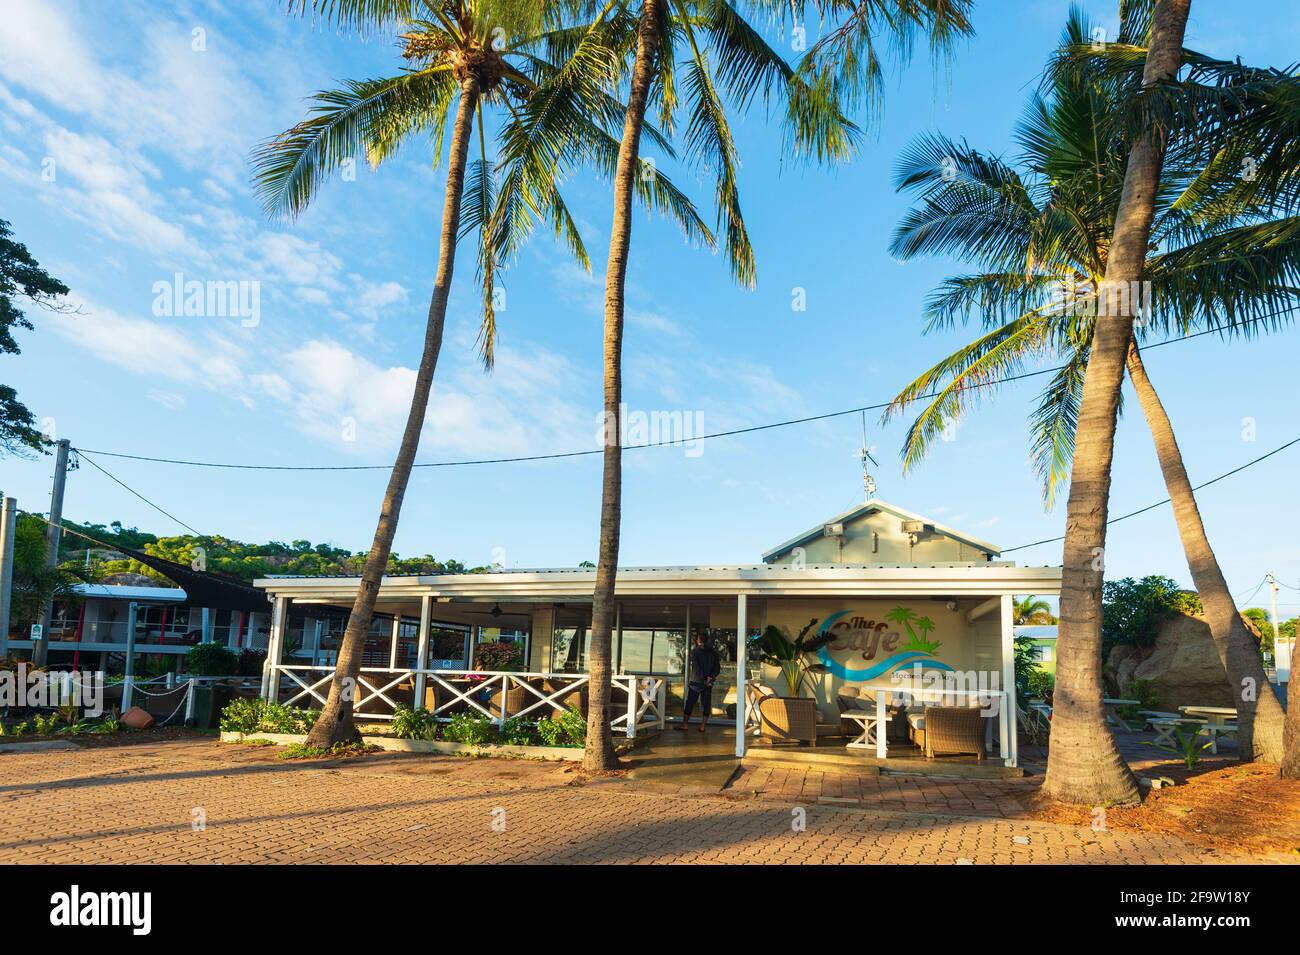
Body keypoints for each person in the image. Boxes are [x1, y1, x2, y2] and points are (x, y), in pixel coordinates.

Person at [676, 632, 721, 732]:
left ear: (698, 641)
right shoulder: (713, 652)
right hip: (708, 683)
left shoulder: (695, 651)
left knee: (690, 703)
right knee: (706, 704)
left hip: (696, 683)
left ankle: (685, 724)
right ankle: (703, 726)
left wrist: (704, 678)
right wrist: (710, 677)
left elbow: (696, 668)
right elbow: (717, 668)